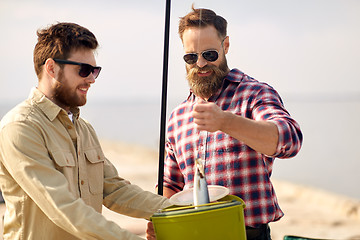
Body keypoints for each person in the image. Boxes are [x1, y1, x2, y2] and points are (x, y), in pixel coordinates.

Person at [0, 22, 170, 240]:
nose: (91, 79)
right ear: (51, 68)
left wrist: (181, 210)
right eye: (84, 70)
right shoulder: (21, 127)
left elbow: (115, 190)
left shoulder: (84, 129)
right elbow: (63, 207)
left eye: (95, 70)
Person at [151, 6, 303, 240]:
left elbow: (290, 140)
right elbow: (171, 183)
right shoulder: (177, 116)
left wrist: (225, 121)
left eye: (209, 54)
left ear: (226, 46)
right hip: (191, 234)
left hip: (247, 234)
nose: (200, 64)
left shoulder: (255, 93)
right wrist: (158, 218)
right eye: (191, 57)